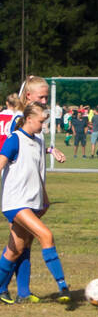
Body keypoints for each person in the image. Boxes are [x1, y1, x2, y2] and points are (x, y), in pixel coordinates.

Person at [0, 103, 71, 304]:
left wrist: (44, 197)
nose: (43, 126)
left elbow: (36, 170)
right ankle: (63, 286)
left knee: (15, 250)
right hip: (15, 202)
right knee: (46, 235)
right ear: (29, 119)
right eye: (41, 122)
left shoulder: (38, 142)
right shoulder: (14, 140)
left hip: (31, 202)